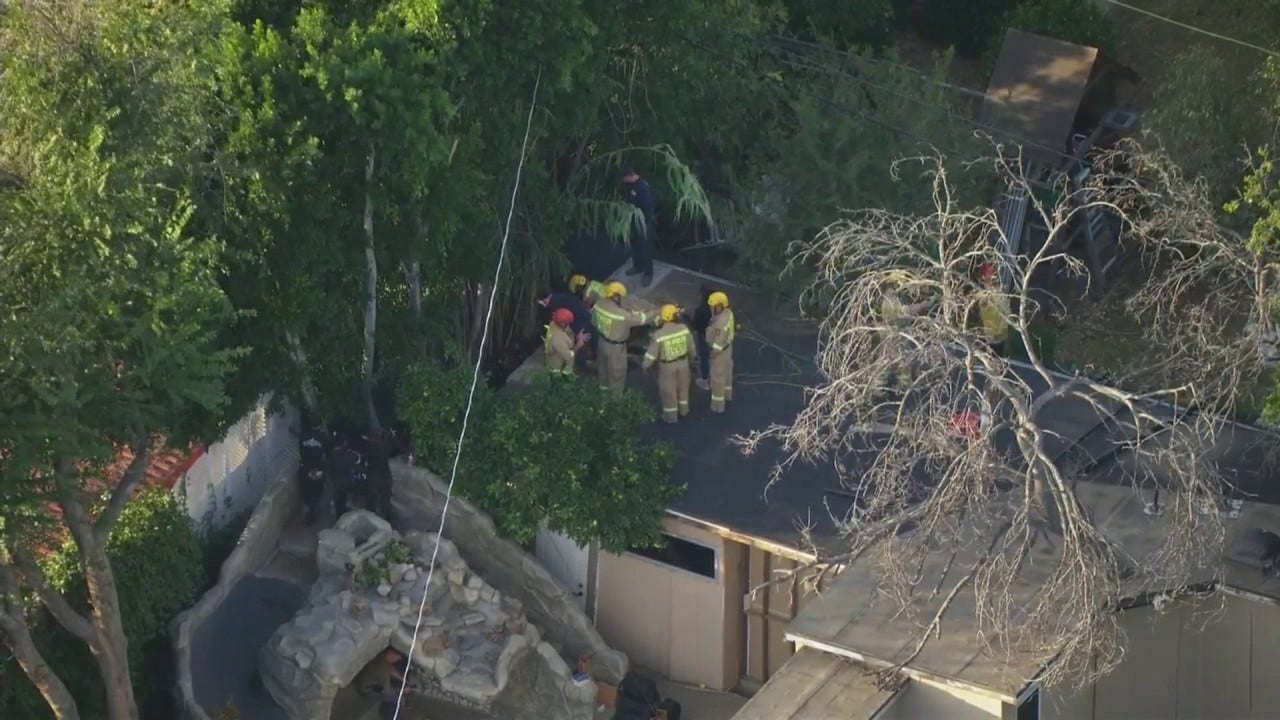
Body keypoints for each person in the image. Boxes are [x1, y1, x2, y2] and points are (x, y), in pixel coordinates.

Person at [592, 281, 651, 394]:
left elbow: (594, 323)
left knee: (603, 374)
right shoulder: (621, 315)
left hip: (601, 343)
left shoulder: (598, 305)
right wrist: (657, 312)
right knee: (617, 376)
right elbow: (641, 320)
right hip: (615, 349)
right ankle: (616, 402)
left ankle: (602, 399)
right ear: (616, 296)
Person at [644, 304, 698, 423]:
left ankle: (670, 417)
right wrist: (692, 361)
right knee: (683, 389)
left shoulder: (659, 335)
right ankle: (684, 411)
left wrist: (646, 365)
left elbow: (651, 355)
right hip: (683, 364)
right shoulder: (684, 329)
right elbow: (691, 348)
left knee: (669, 392)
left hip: (667, 367)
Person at [621, 167, 656, 287]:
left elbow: (649, 208)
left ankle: (648, 274)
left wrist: (645, 223)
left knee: (645, 249)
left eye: (625, 178)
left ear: (630, 176)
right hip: (632, 222)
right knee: (635, 246)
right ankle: (637, 266)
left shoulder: (643, 187)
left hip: (643, 222)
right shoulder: (629, 186)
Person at [355, 647, 407, 720]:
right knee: (398, 699)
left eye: (398, 659)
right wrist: (402, 690)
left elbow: (391, 670)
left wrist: (404, 680)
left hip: (368, 682)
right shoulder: (383, 670)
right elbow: (388, 690)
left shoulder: (382, 656)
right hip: (368, 692)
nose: (396, 660)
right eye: (395, 658)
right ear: (391, 654)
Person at [297, 410, 328, 526]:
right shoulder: (322, 436)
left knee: (306, 492)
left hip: (305, 467)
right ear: (319, 425)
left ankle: (307, 516)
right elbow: (326, 452)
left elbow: (300, 450)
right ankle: (313, 514)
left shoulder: (303, 435)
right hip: (317, 467)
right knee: (316, 491)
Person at [327, 422, 364, 519]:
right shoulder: (349, 454)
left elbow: (328, 470)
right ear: (344, 443)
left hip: (336, 485)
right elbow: (358, 462)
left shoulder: (331, 456)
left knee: (339, 506)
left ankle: (339, 520)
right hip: (348, 483)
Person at [707, 292, 736, 413]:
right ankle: (728, 395)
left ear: (719, 306)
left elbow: (717, 344)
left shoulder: (720, 324)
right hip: (728, 349)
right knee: (727, 372)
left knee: (717, 378)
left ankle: (717, 405)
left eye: (713, 306)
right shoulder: (728, 313)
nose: (711, 308)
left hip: (720, 352)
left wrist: (713, 354)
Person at [683, 284, 714, 390]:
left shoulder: (700, 311)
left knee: (704, 357)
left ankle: (705, 381)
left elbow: (696, 327)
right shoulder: (715, 308)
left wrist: (685, 316)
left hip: (705, 337)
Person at [359, 430, 394, 523]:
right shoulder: (386, 446)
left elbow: (363, 461)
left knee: (371, 499)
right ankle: (388, 521)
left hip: (373, 475)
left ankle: (371, 520)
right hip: (386, 476)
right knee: (385, 500)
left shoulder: (368, 447)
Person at [976, 262, 1010, 356]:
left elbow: (1008, 317)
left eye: (985, 279)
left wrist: (999, 334)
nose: (983, 282)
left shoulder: (999, 296)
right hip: (986, 336)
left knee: (994, 361)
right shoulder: (982, 295)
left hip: (996, 339)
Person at [544, 308, 583, 376]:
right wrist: (578, 346)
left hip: (551, 355)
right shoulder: (559, 336)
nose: (568, 324)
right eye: (567, 323)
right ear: (562, 323)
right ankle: (565, 376)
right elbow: (569, 356)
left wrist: (576, 337)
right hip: (556, 366)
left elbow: (566, 334)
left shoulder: (553, 324)